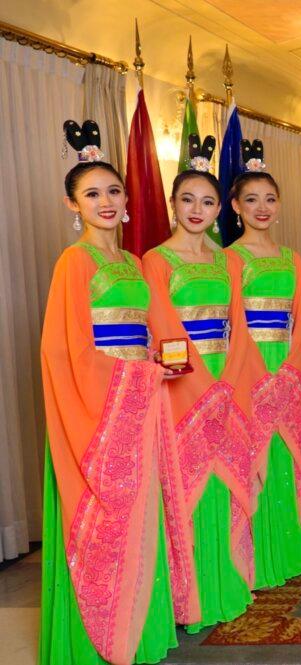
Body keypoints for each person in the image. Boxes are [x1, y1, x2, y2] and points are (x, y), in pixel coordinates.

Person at [40, 120, 178, 664]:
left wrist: (163, 363)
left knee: (145, 514)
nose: (105, 201)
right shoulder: (74, 262)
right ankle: (98, 642)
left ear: (126, 200)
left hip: (140, 403)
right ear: (72, 203)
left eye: (113, 191)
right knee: (108, 522)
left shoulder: (133, 262)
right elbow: (66, 350)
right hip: (101, 410)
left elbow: (149, 331)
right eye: (92, 193)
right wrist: (139, 376)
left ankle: (141, 630)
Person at [143, 160, 263, 632]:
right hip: (183, 391)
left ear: (220, 210)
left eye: (207, 202)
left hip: (226, 385)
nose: (197, 210)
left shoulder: (228, 259)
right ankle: (189, 598)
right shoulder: (156, 260)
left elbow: (240, 327)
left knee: (223, 485)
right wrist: (199, 387)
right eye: (188, 200)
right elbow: (164, 330)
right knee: (187, 489)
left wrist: (229, 382)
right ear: (173, 204)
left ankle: (225, 584)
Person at [225, 144, 301, 589]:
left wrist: (292, 374)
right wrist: (256, 377)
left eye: (269, 199)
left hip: (288, 371)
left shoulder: (292, 259)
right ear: (236, 207)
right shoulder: (228, 260)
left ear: (279, 205)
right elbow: (232, 326)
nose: (261, 208)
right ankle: (254, 561)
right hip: (249, 371)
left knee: (286, 457)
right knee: (252, 459)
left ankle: (290, 551)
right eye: (251, 200)